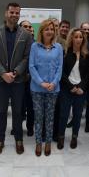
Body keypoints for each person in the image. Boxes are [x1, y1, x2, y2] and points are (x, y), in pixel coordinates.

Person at [0, 3, 32, 155]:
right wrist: (3, 74)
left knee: (18, 112)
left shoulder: (25, 35)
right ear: (6, 13)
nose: (15, 15)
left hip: (18, 81)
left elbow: (27, 57)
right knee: (0, 112)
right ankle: (0, 141)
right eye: (12, 12)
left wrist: (15, 72)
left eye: (17, 13)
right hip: (1, 81)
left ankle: (19, 140)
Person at [29, 19, 63, 156]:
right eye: (46, 29)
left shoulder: (58, 47)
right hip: (37, 89)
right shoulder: (34, 46)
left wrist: (54, 83)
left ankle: (48, 142)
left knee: (49, 117)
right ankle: (38, 142)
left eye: (52, 29)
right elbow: (31, 67)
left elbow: (60, 67)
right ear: (41, 31)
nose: (49, 31)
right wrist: (41, 83)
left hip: (53, 89)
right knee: (38, 117)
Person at [57, 28, 89, 150]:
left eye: (81, 37)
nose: (78, 39)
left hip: (81, 91)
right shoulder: (65, 53)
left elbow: (88, 74)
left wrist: (81, 87)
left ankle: (74, 137)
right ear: (71, 38)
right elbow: (62, 73)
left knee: (77, 115)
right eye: (76, 37)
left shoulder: (86, 54)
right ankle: (61, 137)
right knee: (64, 115)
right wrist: (71, 87)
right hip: (67, 90)